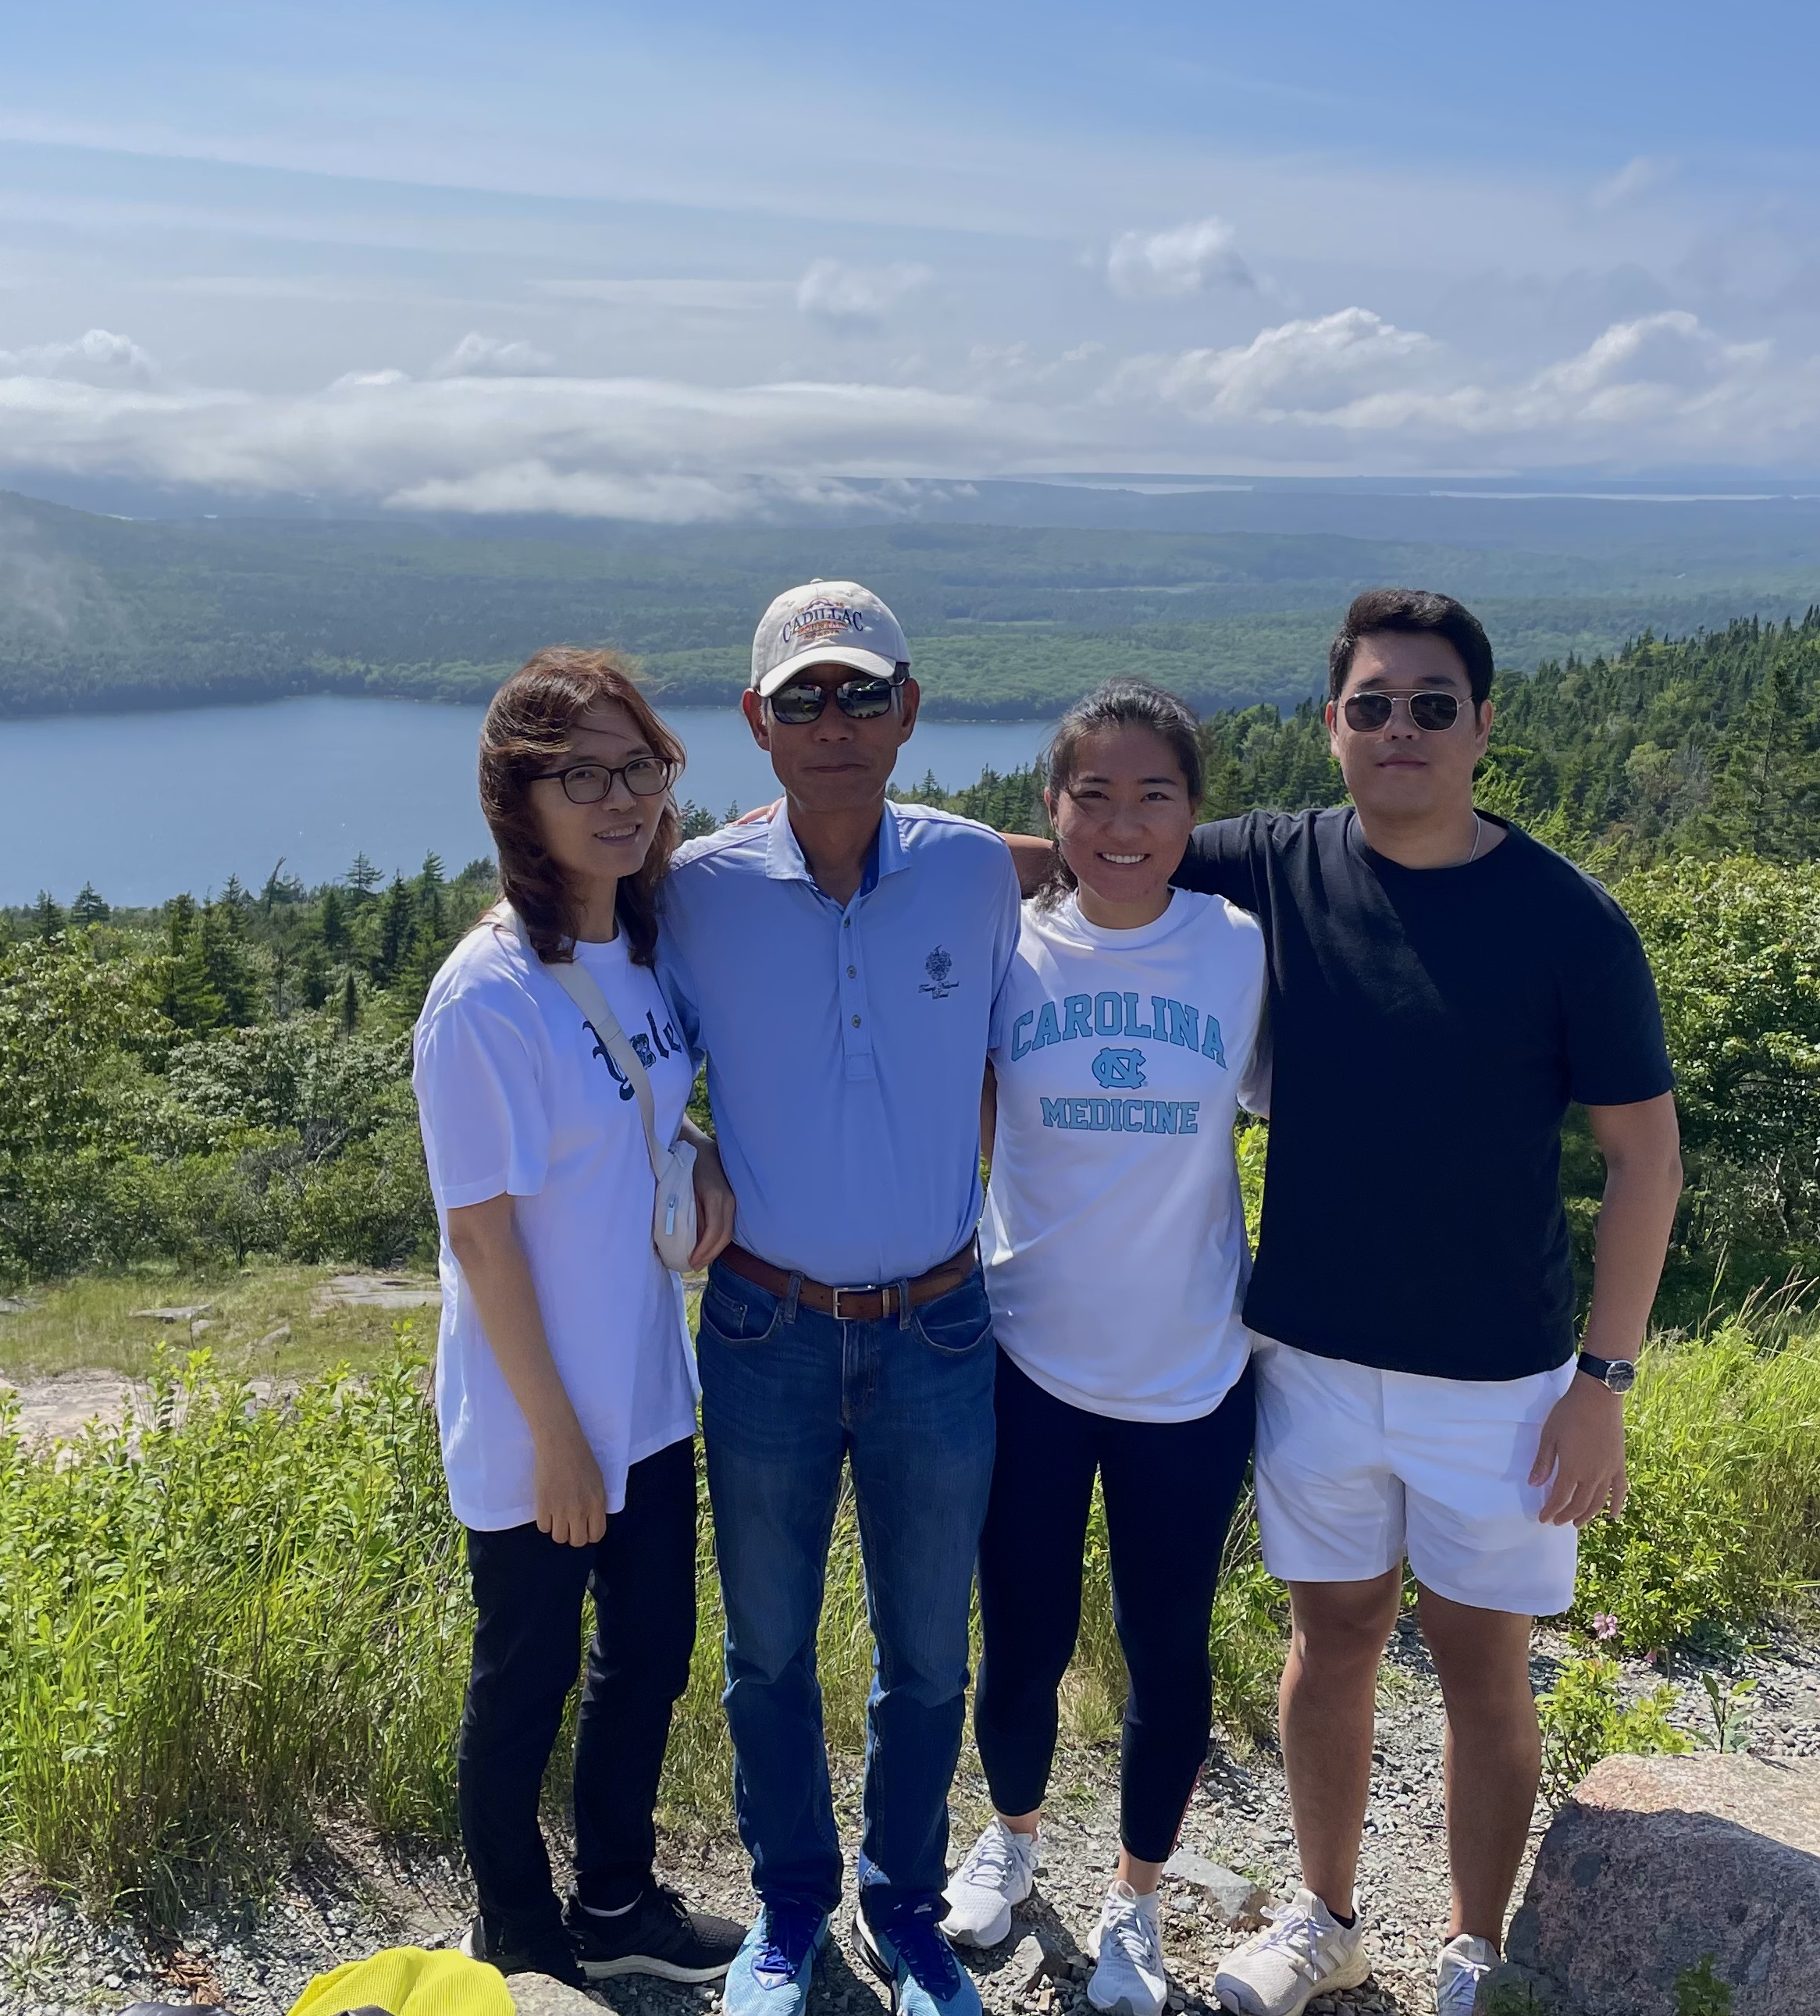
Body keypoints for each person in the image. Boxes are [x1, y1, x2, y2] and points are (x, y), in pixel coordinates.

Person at [999, 589, 1681, 2016]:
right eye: (1371, 703)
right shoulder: (1274, 864)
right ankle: (1324, 1917)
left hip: (1497, 1374)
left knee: (1483, 1660)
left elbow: (1642, 1160)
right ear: (1331, 725)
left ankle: (1473, 1947)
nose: (1399, 730)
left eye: (1432, 704)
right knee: (1333, 1638)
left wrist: (1600, 1381)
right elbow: (1110, 845)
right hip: (1304, 1349)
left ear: (1483, 726)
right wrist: (852, 858)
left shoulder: (1567, 922)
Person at [655, 581, 1023, 2016]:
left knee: (930, 1652)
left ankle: (908, 1908)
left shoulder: (976, 872)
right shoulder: (694, 889)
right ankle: (791, 1908)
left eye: (859, 693)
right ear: (756, 722)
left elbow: (1110, 871)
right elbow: (610, 1044)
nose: (832, 721)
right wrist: (680, 1155)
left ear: (908, 710)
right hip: (764, 1324)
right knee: (766, 1651)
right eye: (801, 697)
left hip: (939, 1324)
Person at [409, 646, 750, 1990]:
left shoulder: (638, 945)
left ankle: (616, 1899)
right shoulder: (483, 999)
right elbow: (480, 1236)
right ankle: (519, 1927)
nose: (620, 799)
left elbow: (644, 1117)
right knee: (526, 1678)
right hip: (531, 1412)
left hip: (648, 1391)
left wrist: (704, 1148)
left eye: (641, 766)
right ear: (518, 800)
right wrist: (555, 1439)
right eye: (581, 775)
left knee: (651, 1655)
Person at [939, 680, 1266, 2016]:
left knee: (1165, 1645)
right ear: (1048, 809)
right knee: (1019, 1632)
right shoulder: (1005, 947)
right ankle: (1010, 1842)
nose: (1122, 823)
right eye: (1091, 795)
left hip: (1192, 1366)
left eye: (1154, 795)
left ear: (1197, 811)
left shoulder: (1241, 946)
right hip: (1024, 1355)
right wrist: (1020, 862)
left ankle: (1135, 1900)